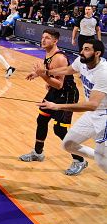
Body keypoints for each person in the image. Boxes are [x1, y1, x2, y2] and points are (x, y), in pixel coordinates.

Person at [37, 39, 107, 174]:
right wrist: (44, 72)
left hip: (104, 117)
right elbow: (67, 69)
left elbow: (92, 105)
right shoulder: (82, 61)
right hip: (92, 115)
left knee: (103, 163)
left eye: (87, 49)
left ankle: (101, 158)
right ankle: (100, 157)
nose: (81, 52)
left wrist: (58, 106)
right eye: (82, 48)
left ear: (97, 53)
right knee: (68, 144)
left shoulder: (103, 72)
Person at [22, 30, 87, 175]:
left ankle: (80, 160)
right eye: (43, 37)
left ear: (55, 41)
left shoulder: (59, 58)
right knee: (42, 119)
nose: (43, 40)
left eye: (47, 38)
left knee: (59, 129)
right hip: (55, 93)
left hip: (67, 95)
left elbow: (59, 84)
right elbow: (50, 72)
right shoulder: (49, 53)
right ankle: (38, 153)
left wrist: (42, 76)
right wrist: (38, 73)